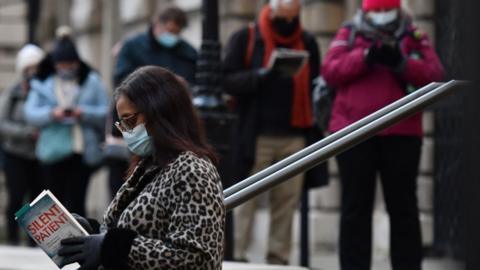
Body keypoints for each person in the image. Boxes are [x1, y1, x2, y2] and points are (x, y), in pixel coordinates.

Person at [57, 66, 225, 270]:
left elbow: (198, 258)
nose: (126, 132)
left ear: (160, 112)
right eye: (122, 125)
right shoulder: (149, 164)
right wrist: (90, 234)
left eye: (130, 120)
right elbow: (137, 230)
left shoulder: (193, 170)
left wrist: (111, 247)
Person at [321, 0, 444, 269]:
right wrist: (366, 57)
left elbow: (434, 73)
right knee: (355, 209)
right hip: (354, 133)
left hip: (402, 133)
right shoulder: (350, 32)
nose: (380, 15)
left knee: (404, 210)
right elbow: (330, 69)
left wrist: (401, 64)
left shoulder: (413, 34)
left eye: (384, 8)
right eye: (375, 10)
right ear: (366, 10)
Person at [222, 0, 321, 265]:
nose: (288, 22)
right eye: (284, 16)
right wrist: (261, 75)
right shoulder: (248, 36)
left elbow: (316, 82)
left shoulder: (308, 41)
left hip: (295, 133)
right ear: (272, 9)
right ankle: (238, 258)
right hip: (256, 136)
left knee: (286, 204)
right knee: (245, 200)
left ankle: (278, 260)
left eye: (294, 16)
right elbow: (226, 78)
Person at [106, 6, 197, 199]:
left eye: (176, 32)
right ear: (158, 25)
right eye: (169, 30)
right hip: (141, 122)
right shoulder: (133, 46)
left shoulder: (187, 53)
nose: (171, 36)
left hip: (171, 126)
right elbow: (122, 84)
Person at [24, 29, 109, 217]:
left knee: (77, 201)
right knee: (54, 202)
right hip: (52, 151)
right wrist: (52, 114)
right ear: (55, 64)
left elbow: (107, 111)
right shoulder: (42, 83)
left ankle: (78, 242)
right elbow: (30, 113)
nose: (67, 68)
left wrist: (83, 113)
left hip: (82, 150)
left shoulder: (92, 81)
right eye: (62, 64)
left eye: (70, 64)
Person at [0, 44, 45, 245]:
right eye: (29, 69)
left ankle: (33, 241)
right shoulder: (12, 93)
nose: (32, 73)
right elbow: (3, 123)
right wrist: (26, 133)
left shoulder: (46, 91)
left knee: (37, 200)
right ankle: (12, 239)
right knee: (16, 197)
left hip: (39, 155)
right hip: (15, 153)